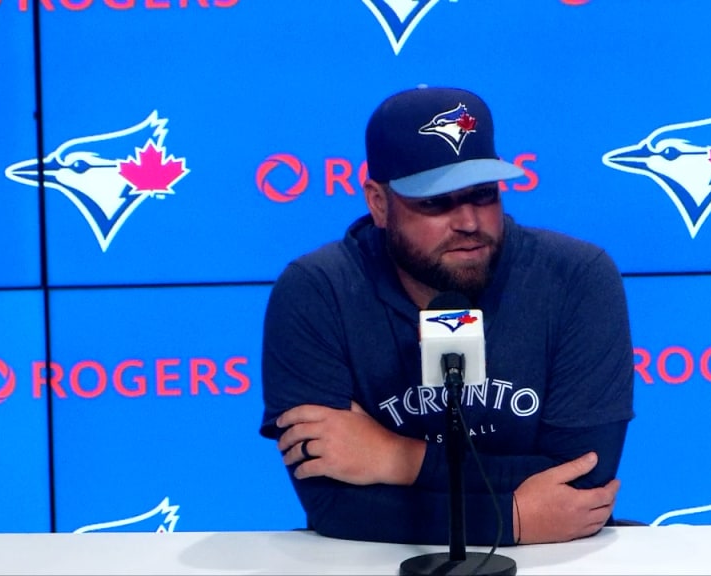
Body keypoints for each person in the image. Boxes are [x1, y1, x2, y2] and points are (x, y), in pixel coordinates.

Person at [259, 86, 635, 546]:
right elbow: (332, 503)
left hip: (559, 558)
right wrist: (510, 518)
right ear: (379, 203)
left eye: (483, 195)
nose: (470, 223)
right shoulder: (317, 292)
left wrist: (393, 459)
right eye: (436, 202)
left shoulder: (577, 277)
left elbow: (581, 484)